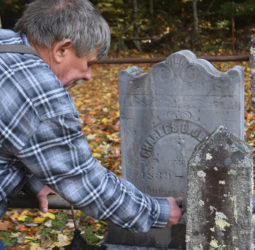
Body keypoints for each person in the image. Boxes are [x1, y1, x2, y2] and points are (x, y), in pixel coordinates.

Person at [0, 0, 182, 242]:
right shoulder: (39, 90)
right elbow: (82, 179)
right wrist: (156, 210)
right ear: (61, 49)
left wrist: (33, 180)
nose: (88, 75)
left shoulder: (5, 43)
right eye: (88, 63)